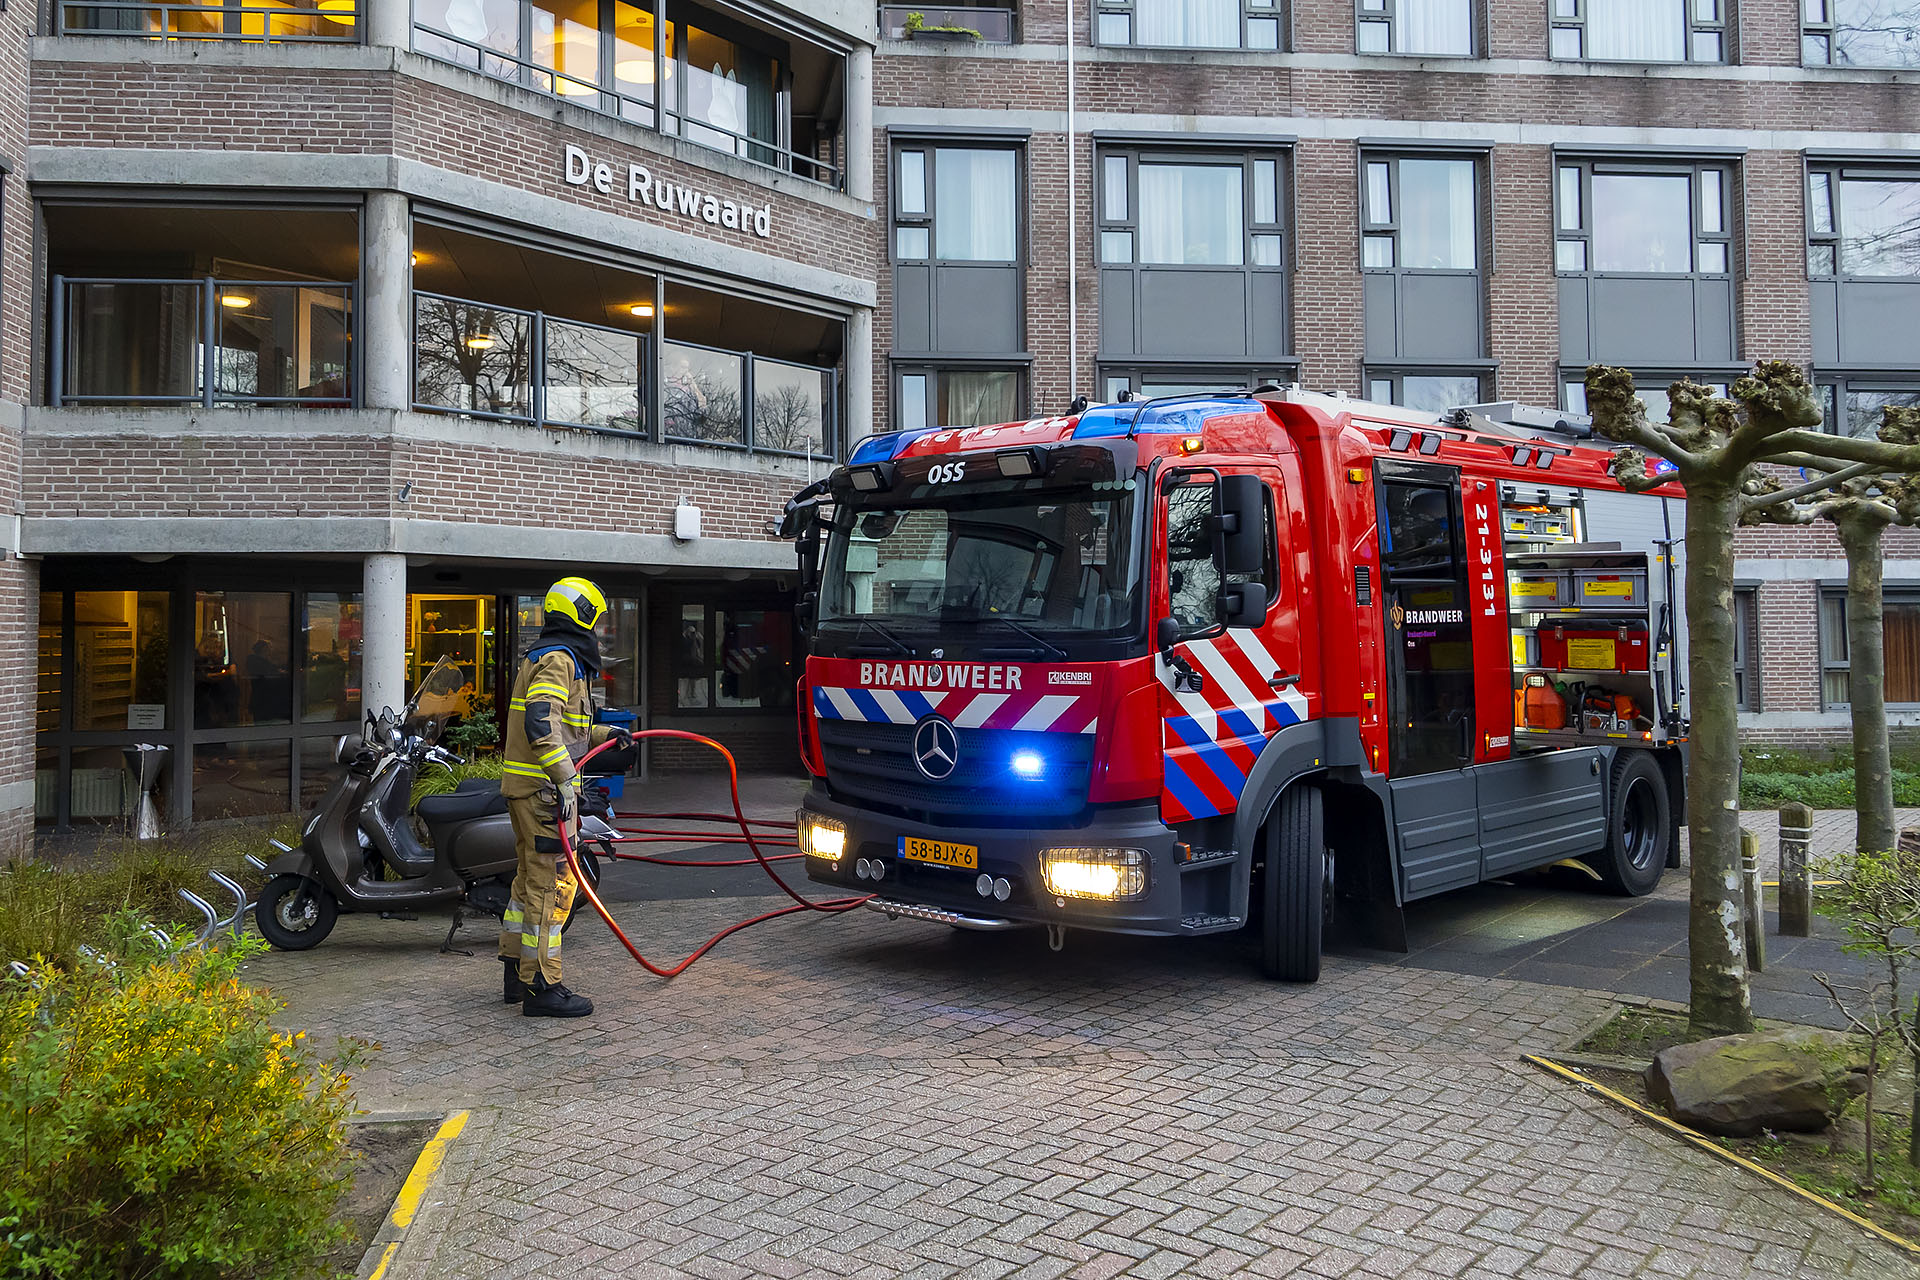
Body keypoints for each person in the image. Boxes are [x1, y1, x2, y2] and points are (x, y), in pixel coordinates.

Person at [498, 577, 633, 1017]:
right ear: (584, 616)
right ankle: (542, 986)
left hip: (527, 790)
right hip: (542, 793)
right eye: (596, 618)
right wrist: (560, 779)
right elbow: (541, 722)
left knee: (526, 881)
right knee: (552, 886)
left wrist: (607, 733)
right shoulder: (559, 659)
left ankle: (516, 975)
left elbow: (564, 724)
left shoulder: (545, 654)